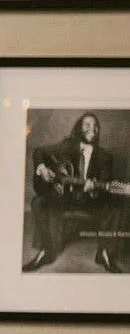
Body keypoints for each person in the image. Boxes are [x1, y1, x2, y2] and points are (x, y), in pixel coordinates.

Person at [26, 113, 124, 274]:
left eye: (95, 125)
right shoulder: (67, 145)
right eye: (87, 124)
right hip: (64, 197)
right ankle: (46, 250)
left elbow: (105, 184)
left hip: (89, 200)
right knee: (38, 202)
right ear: (79, 127)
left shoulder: (106, 157)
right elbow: (39, 152)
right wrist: (42, 168)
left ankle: (105, 253)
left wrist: (93, 190)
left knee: (117, 205)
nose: (92, 128)